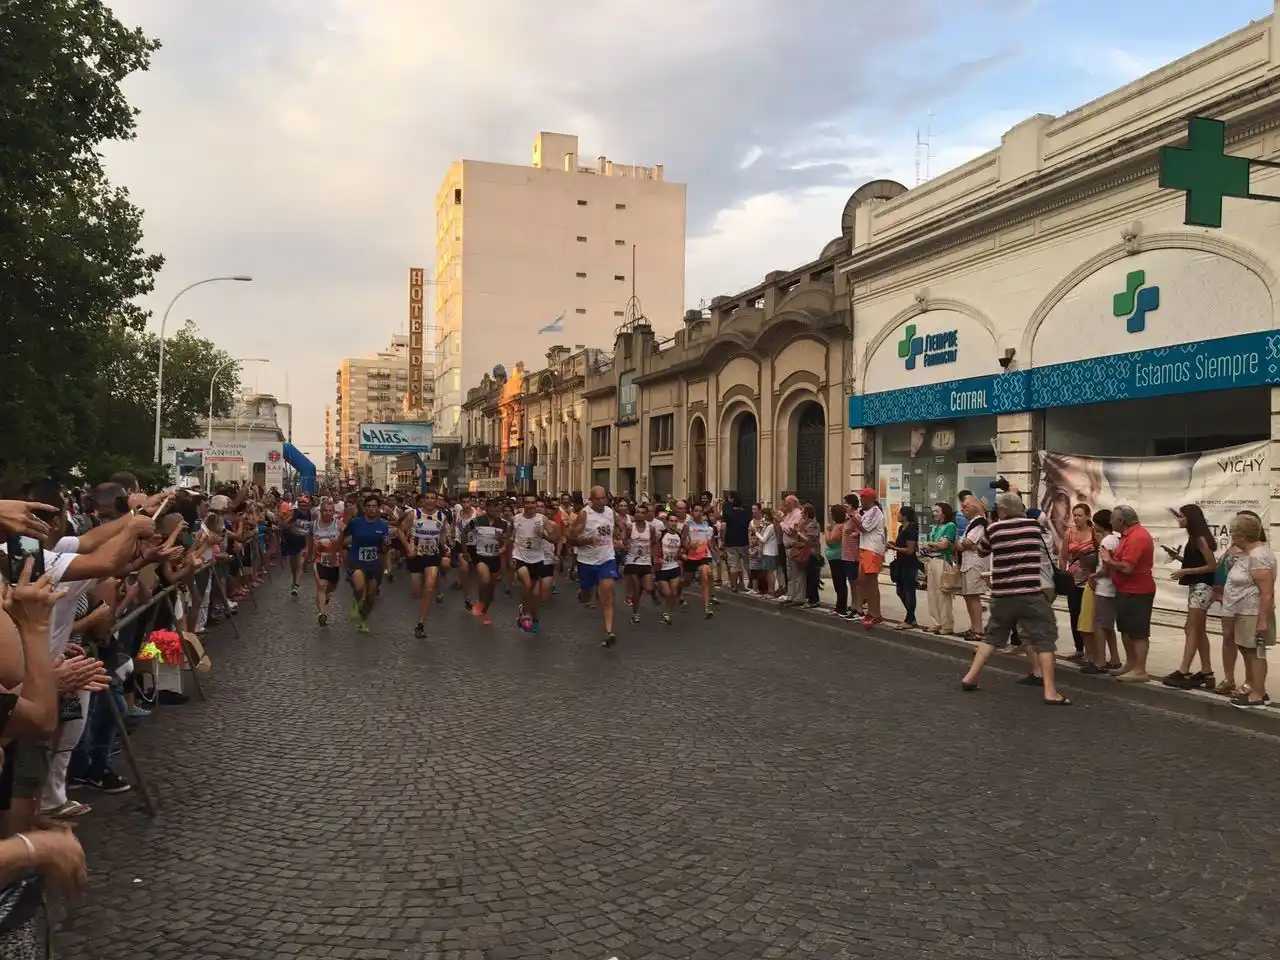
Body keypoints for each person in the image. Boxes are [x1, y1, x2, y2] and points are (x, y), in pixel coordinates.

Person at [960, 491, 1071, 705]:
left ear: (1002, 510)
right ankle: (1050, 691)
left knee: (991, 637)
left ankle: (971, 676)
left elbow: (982, 551)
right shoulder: (1034, 528)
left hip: (1002, 595)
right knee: (1044, 640)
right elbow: (1049, 545)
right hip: (1030, 593)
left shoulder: (993, 529)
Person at [1219, 511, 1275, 709]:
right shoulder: (1251, 553)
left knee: (1256, 653)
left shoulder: (1258, 556)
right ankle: (1254, 688)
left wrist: (1262, 620)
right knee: (1248, 650)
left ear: (1242, 536)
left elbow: (1267, 591)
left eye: (1234, 534)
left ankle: (1258, 694)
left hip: (1253, 613)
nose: (1232, 539)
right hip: (1244, 611)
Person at [1162, 503, 1218, 690]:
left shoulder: (1200, 538)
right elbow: (1200, 561)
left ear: (1191, 519)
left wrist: (1185, 570)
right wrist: (1180, 561)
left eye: (1182, 517)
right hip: (1198, 586)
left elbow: (1212, 566)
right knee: (1198, 629)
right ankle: (1207, 672)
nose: (1179, 520)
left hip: (1203, 587)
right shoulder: (1195, 538)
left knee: (1191, 627)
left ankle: (1184, 670)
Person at [340, 494, 409, 634]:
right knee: (359, 588)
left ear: (378, 509)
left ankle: (363, 620)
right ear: (364, 508)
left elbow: (383, 550)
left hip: (374, 563)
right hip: (356, 560)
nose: (371, 509)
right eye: (369, 506)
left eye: (374, 506)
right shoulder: (355, 523)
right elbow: (344, 538)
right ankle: (356, 600)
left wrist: (386, 544)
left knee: (371, 596)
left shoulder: (383, 526)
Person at [1105, 505, 1156, 683]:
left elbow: (1127, 568)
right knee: (1126, 630)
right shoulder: (1128, 536)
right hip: (1125, 590)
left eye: (1112, 518)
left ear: (1122, 521)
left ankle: (1140, 669)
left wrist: (1109, 561)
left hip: (1138, 590)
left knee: (1138, 632)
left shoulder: (1137, 537)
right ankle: (1131, 664)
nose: (1110, 521)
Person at [568, 486, 622, 646]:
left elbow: (619, 527)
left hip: (607, 558)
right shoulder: (585, 514)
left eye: (603, 498)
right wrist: (587, 540)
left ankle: (609, 632)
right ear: (591, 499)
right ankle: (583, 592)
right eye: (597, 499)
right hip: (587, 561)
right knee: (586, 596)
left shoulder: (610, 512)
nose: (601, 501)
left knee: (607, 594)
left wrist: (620, 537)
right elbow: (571, 538)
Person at [405, 492, 451, 638]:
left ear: (437, 501)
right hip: (415, 556)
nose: (430, 500)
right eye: (427, 498)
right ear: (422, 501)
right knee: (416, 592)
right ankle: (421, 612)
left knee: (429, 587)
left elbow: (442, 534)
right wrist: (408, 548)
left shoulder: (441, 516)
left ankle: (421, 623)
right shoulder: (414, 514)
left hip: (432, 555)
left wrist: (445, 547)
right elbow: (400, 531)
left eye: (433, 498)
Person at [510, 494, 551, 633]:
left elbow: (554, 537)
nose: (530, 505)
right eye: (527, 502)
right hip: (520, 556)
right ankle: (524, 614)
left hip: (537, 558)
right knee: (527, 584)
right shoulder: (516, 519)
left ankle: (535, 619)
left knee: (535, 595)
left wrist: (544, 535)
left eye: (533, 503)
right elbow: (510, 537)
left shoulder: (542, 519)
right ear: (523, 504)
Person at [468, 499, 510, 625]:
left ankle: (485, 609)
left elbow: (506, 538)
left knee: (491, 588)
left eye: (496, 509)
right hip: (480, 555)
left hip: (494, 557)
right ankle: (480, 601)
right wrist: (468, 551)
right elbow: (468, 536)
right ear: (486, 508)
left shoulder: (503, 524)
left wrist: (503, 546)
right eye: (491, 508)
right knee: (485, 579)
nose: (493, 511)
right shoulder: (476, 521)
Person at [921, 503, 957, 634]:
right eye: (933, 511)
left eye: (937, 511)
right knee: (932, 594)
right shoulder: (935, 527)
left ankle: (946, 625)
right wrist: (930, 546)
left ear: (944, 513)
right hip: (931, 561)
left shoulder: (950, 526)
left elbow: (944, 545)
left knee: (943, 594)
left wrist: (930, 544)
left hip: (943, 561)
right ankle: (936, 622)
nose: (934, 513)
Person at [852, 488, 886, 626]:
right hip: (866, 550)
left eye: (863, 497)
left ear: (870, 499)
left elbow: (865, 528)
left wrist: (852, 517)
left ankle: (876, 614)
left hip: (872, 551)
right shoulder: (868, 513)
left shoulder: (875, 512)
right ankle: (871, 612)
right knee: (862, 581)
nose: (861, 500)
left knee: (871, 583)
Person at [308, 497, 343, 626]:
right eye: (325, 510)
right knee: (321, 585)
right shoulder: (314, 525)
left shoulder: (338, 525)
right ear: (321, 511)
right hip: (319, 559)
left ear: (333, 512)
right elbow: (310, 540)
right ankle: (322, 613)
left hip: (334, 560)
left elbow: (345, 540)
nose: (327, 513)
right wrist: (309, 555)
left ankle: (326, 596)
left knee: (332, 586)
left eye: (330, 511)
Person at [622, 502, 658, 624]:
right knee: (636, 589)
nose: (639, 514)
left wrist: (654, 559)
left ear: (646, 515)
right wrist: (624, 543)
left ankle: (641, 593)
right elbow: (624, 539)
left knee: (648, 587)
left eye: (643, 513)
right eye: (638, 512)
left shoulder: (651, 528)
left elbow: (653, 543)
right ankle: (635, 613)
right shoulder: (629, 527)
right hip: (632, 561)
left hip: (645, 561)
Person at [886, 505, 920, 629]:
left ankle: (909, 619)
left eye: (899, 513)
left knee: (909, 591)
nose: (898, 515)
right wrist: (893, 544)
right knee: (900, 590)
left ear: (905, 516)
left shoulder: (911, 529)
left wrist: (894, 548)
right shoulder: (902, 528)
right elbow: (901, 544)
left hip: (909, 563)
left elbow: (910, 550)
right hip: (900, 562)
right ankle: (911, 616)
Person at [683, 503, 716, 619]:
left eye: (700, 511)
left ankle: (707, 608)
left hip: (704, 555)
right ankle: (678, 591)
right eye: (696, 510)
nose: (698, 513)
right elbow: (683, 543)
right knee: (687, 581)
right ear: (692, 512)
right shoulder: (688, 525)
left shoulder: (706, 525)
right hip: (691, 556)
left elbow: (709, 542)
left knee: (705, 577)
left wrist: (714, 551)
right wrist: (688, 546)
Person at [655, 512, 686, 625]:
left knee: (673, 593)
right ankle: (657, 589)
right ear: (667, 522)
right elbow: (653, 546)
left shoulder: (678, 536)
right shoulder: (661, 535)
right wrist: (656, 558)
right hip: (662, 568)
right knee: (667, 593)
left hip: (674, 566)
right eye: (671, 521)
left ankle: (666, 613)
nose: (673, 523)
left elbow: (679, 551)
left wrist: (682, 556)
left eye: (675, 521)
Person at [282, 495, 313, 597]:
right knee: (293, 565)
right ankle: (294, 580)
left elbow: (310, 530)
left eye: (305, 505)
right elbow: (285, 526)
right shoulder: (293, 513)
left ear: (308, 506)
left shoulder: (310, 514)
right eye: (301, 505)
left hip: (303, 542)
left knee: (300, 564)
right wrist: (292, 523)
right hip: (292, 541)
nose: (303, 507)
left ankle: (296, 585)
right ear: (298, 505)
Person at [721, 494, 750, 593]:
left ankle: (734, 585)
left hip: (731, 542)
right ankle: (744, 584)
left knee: (734, 565)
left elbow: (723, 528)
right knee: (745, 564)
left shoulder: (728, 514)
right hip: (744, 542)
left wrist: (722, 540)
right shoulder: (746, 513)